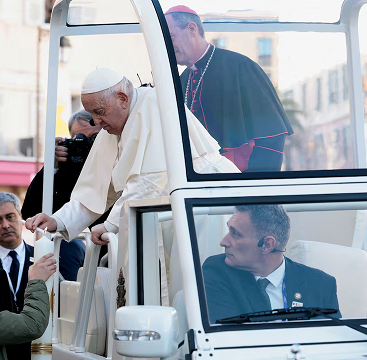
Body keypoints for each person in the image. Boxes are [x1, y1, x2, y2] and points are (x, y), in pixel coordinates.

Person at [26, 67, 239, 245]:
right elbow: (94, 190)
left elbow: (150, 181)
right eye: (92, 114)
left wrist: (110, 225)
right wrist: (57, 220)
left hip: (206, 203)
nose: (96, 121)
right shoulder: (112, 125)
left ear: (122, 99)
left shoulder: (154, 105)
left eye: (99, 111)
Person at [165, 6, 293, 172]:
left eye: (172, 37)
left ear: (191, 29)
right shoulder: (182, 81)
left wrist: (254, 184)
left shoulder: (240, 67)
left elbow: (271, 137)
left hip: (240, 182)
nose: (168, 45)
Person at [202, 205, 341, 324]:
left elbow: (334, 343)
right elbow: (229, 337)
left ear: (267, 244)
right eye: (229, 230)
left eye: (236, 234)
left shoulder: (321, 284)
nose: (223, 242)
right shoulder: (216, 271)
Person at [22, 110, 99, 281]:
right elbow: (30, 212)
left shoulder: (115, 162)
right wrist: (51, 165)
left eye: (93, 138)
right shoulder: (69, 171)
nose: (85, 144)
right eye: (79, 138)